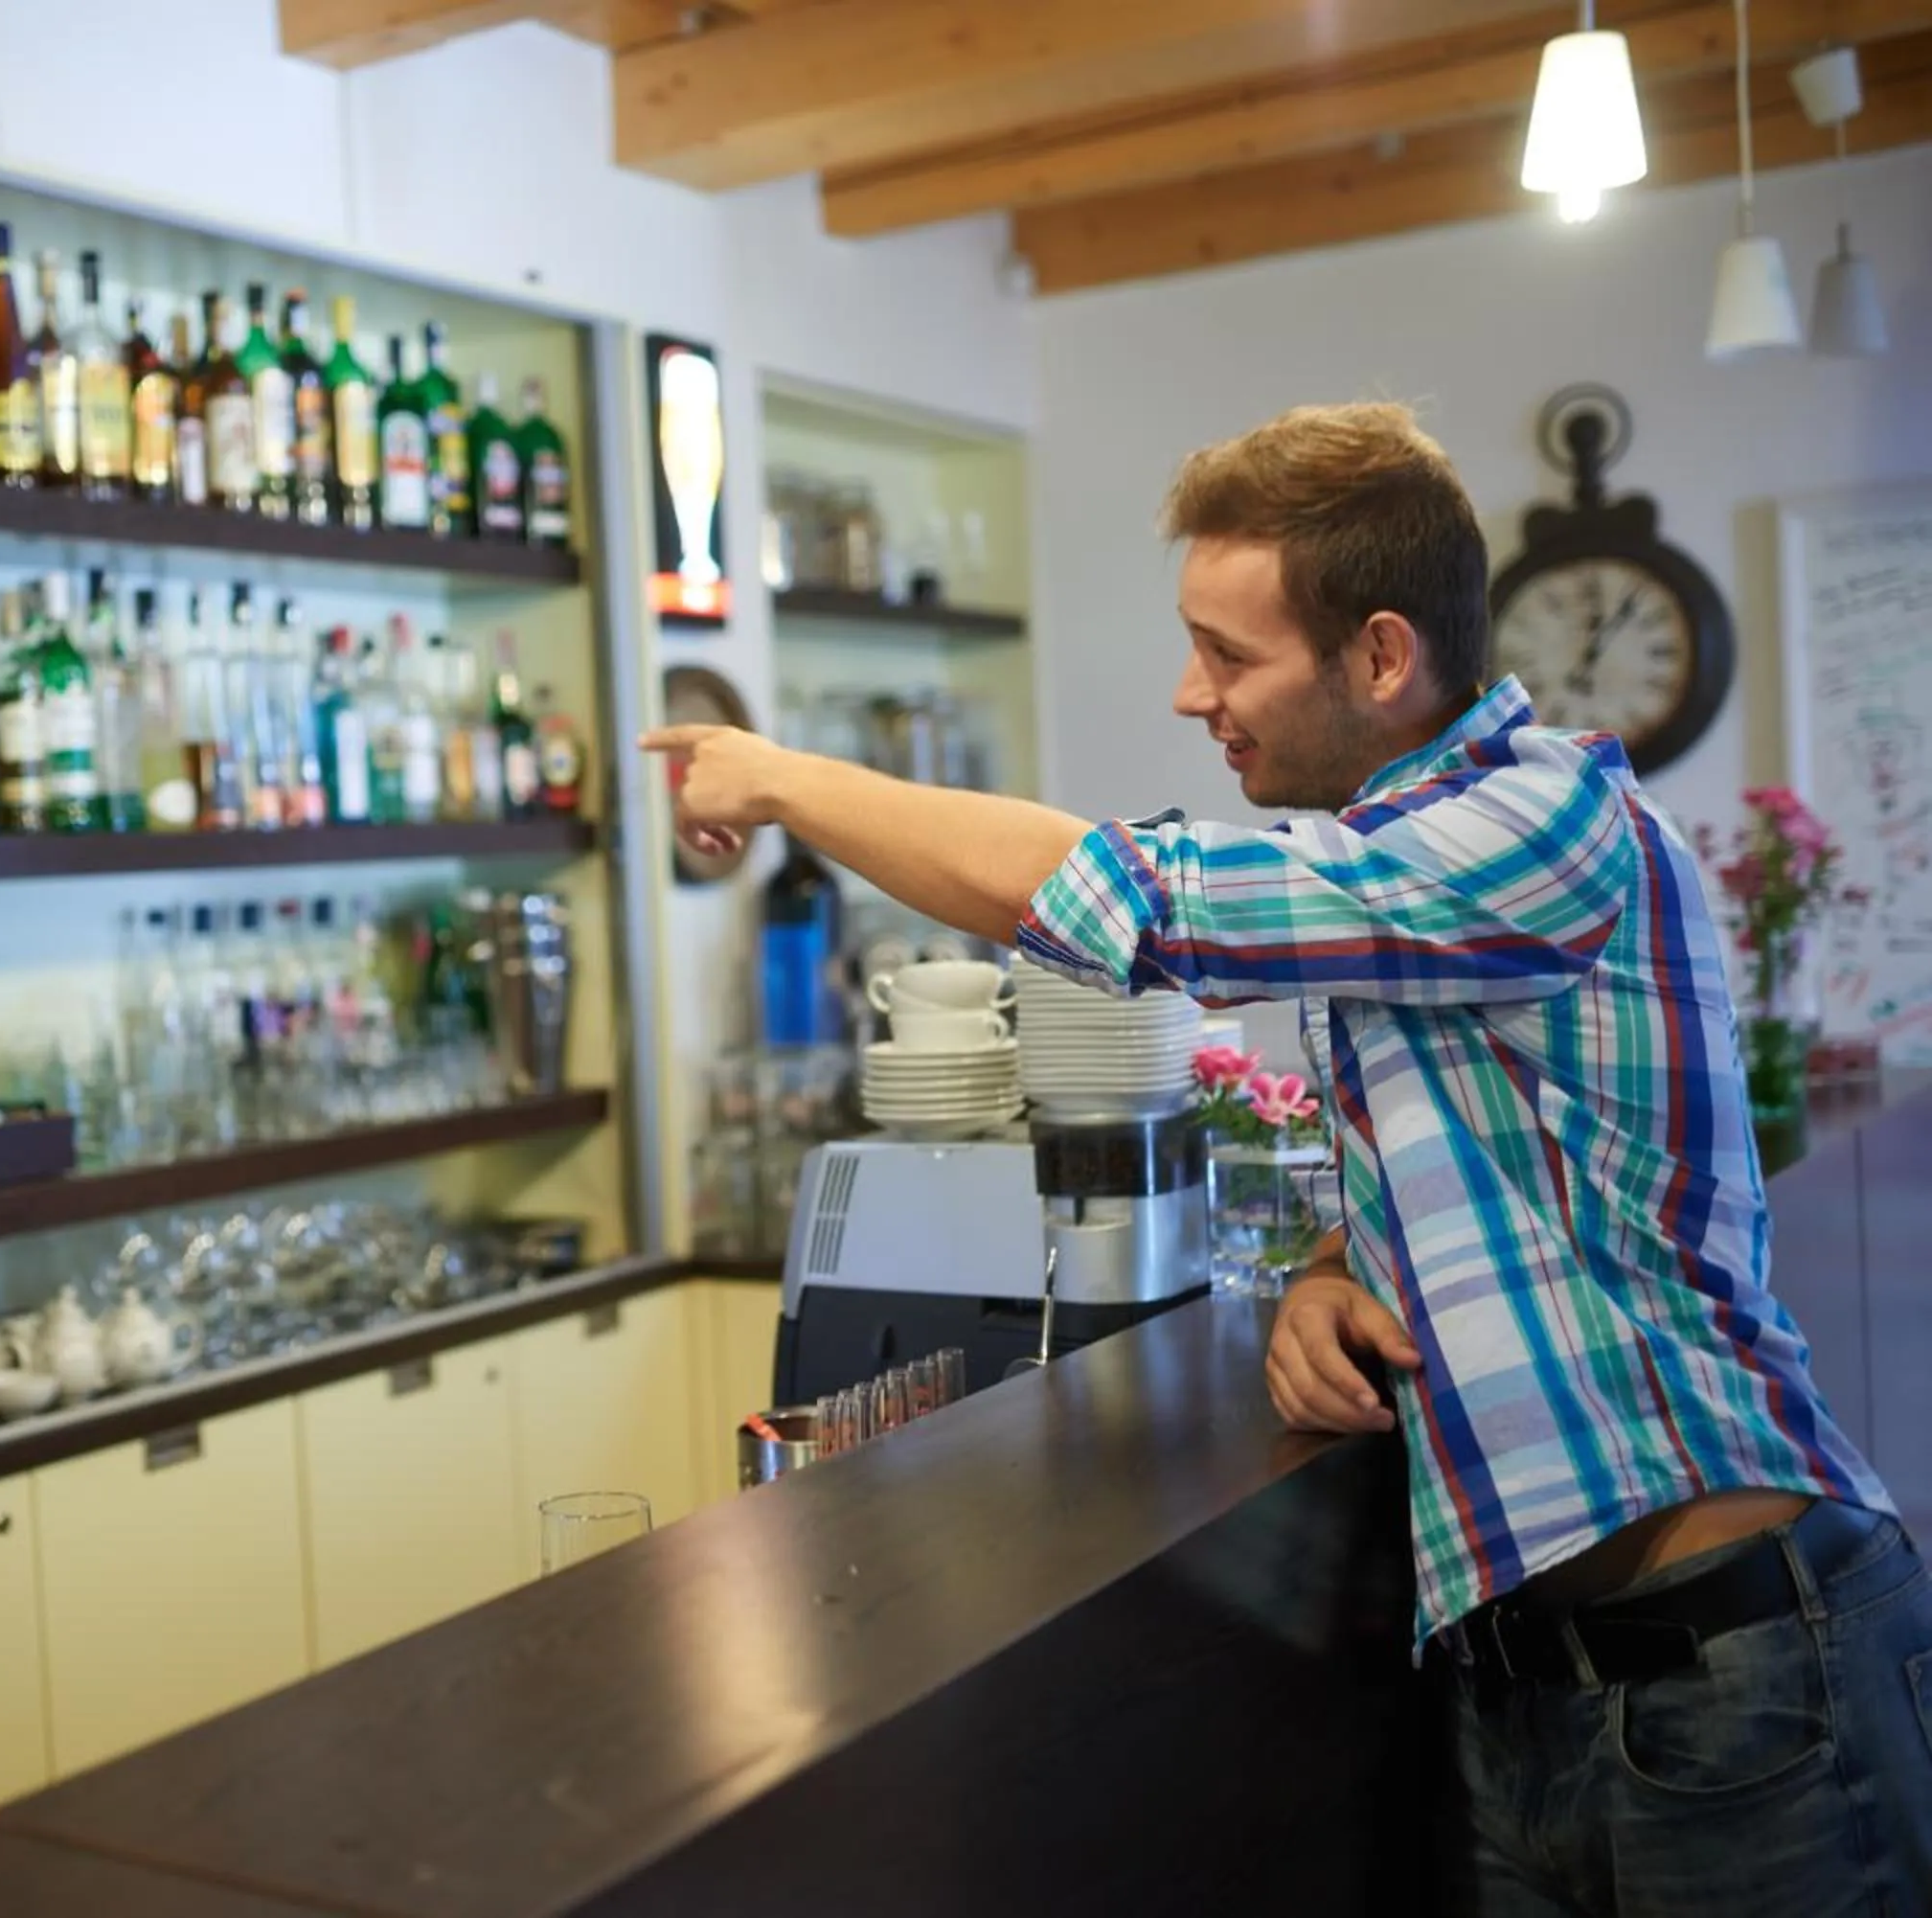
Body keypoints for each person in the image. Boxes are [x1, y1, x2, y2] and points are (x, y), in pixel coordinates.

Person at [645, 403, 1930, 1914]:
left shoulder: (1546, 823)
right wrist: (1334, 1268)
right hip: (1534, 1691)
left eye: (1229, 653)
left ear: (1382, 656)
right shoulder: (1413, 861)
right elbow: (1494, 1155)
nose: (1193, 694)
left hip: (1742, 1678)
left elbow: (1133, 903)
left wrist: (786, 777)